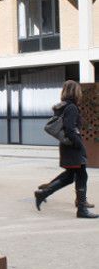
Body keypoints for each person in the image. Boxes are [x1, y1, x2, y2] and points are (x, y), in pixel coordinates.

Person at [34, 80, 97, 219]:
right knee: (79, 175)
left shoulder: (63, 107)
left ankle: (44, 193)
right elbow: (69, 129)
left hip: (67, 146)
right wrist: (79, 145)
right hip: (73, 147)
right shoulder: (72, 107)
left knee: (71, 176)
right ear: (75, 92)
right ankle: (81, 209)